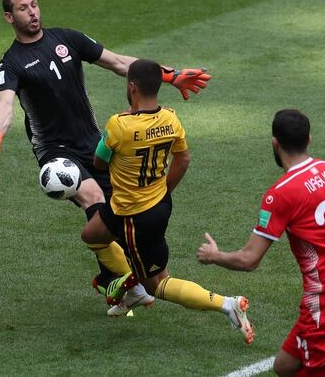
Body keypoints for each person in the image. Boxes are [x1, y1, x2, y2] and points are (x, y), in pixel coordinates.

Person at [0, 0, 212, 301]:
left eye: (34, 5)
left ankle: (115, 279)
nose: (32, 12)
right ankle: (122, 280)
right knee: (93, 196)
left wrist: (170, 76)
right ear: (8, 16)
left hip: (92, 142)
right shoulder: (12, 62)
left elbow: (119, 63)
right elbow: (5, 104)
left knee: (118, 209)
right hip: (55, 152)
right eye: (22, 9)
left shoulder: (67, 39)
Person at [198, 109, 325, 376]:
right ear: (309, 139)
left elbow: (249, 260)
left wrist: (215, 256)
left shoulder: (281, 194)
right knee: (285, 367)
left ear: (275, 142)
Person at [80, 59, 254, 343]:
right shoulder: (171, 119)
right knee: (92, 235)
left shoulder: (118, 124)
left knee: (158, 283)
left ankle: (227, 304)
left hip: (134, 216)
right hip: (145, 206)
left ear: (132, 87)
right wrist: (164, 190)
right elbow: (183, 159)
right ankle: (132, 287)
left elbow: (98, 163)